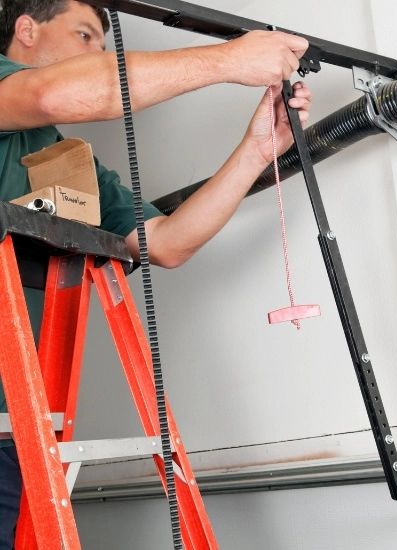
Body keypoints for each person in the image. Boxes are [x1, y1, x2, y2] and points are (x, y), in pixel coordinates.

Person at [0, 0, 312, 546]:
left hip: (17, 426)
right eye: (85, 34)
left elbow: (168, 243)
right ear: (27, 29)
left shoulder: (66, 160)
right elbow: (55, 91)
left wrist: (258, 149)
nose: (97, 52)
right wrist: (229, 60)